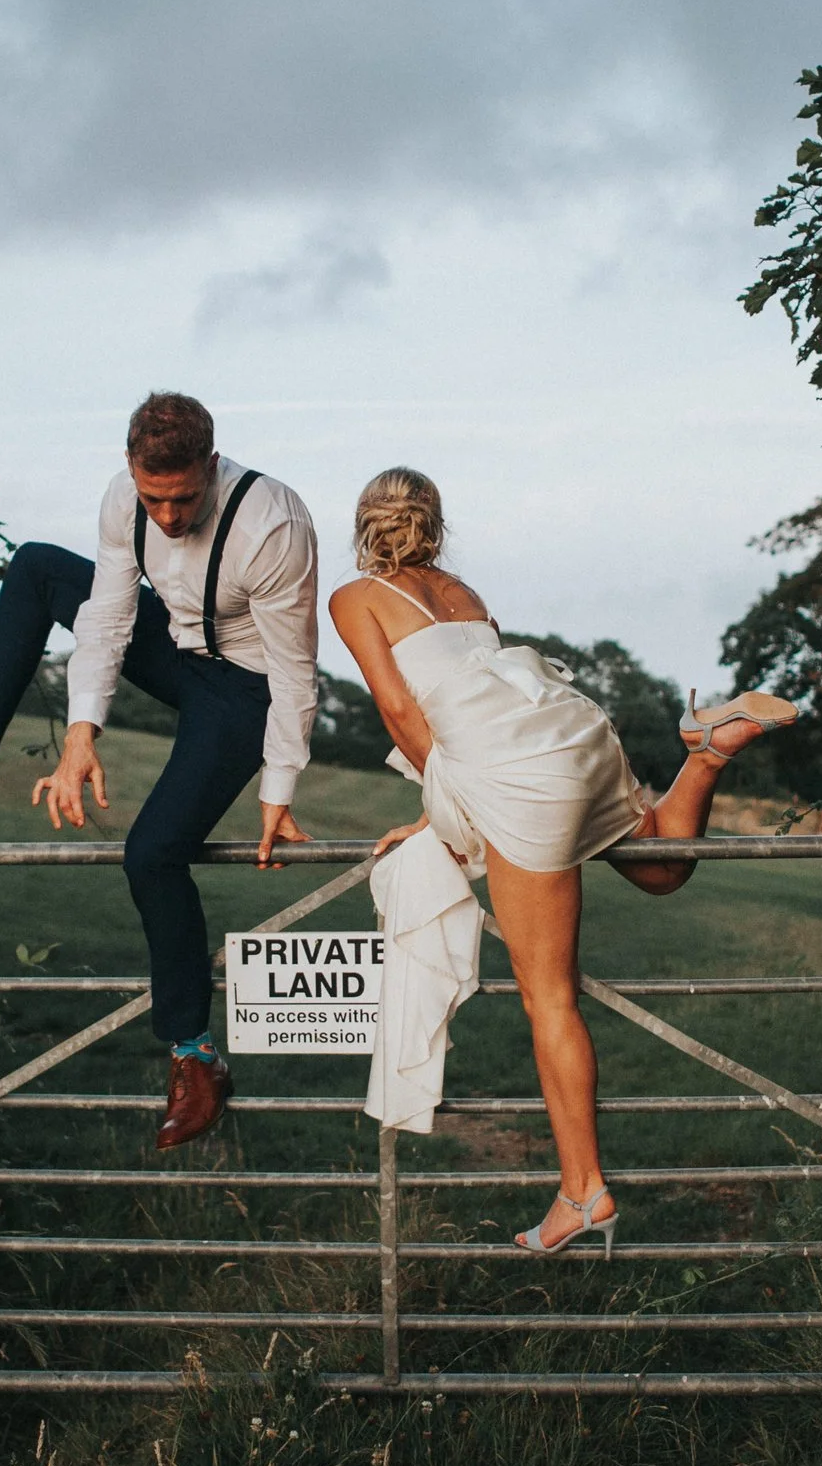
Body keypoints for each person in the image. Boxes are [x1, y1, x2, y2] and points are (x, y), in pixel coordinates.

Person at [327, 468, 793, 1255]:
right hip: (572, 735)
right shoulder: (466, 594)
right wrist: (439, 812)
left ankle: (583, 1192)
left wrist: (443, 815)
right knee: (661, 867)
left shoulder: (353, 598)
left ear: (365, 526)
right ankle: (706, 751)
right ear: (435, 522)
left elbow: (406, 713)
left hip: (517, 777)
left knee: (548, 1000)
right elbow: (481, 703)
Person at [0, 393, 320, 1151]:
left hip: (244, 689)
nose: (165, 516)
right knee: (37, 568)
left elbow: (295, 670)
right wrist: (78, 736)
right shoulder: (124, 501)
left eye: (183, 498)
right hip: (176, 650)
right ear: (132, 470)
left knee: (153, 853)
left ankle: (195, 1060)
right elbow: (107, 619)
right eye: (152, 496)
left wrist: (278, 786)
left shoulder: (273, 522)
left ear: (212, 466)